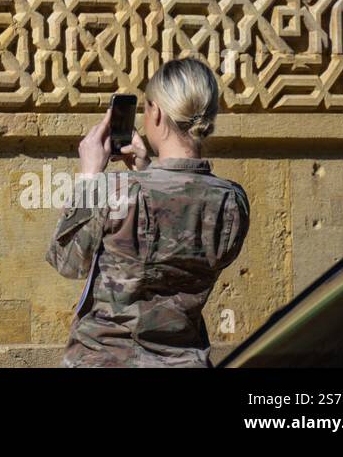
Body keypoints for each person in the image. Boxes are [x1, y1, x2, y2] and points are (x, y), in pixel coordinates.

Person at [46, 56, 250, 366]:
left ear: (155, 112)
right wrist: (147, 170)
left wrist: (89, 178)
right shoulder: (232, 201)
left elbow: (68, 262)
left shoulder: (116, 190)